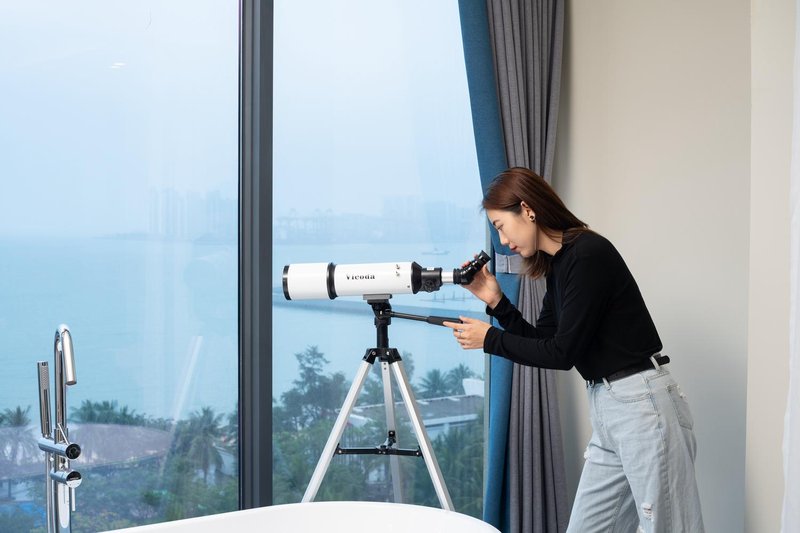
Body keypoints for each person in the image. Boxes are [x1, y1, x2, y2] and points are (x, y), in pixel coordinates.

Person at [443, 167, 704, 533]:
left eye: (501, 226)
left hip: (641, 405)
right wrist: (497, 303)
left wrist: (489, 340)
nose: (502, 240)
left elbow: (562, 354)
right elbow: (544, 343)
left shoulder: (588, 254)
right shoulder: (560, 265)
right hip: (610, 408)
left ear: (527, 209)